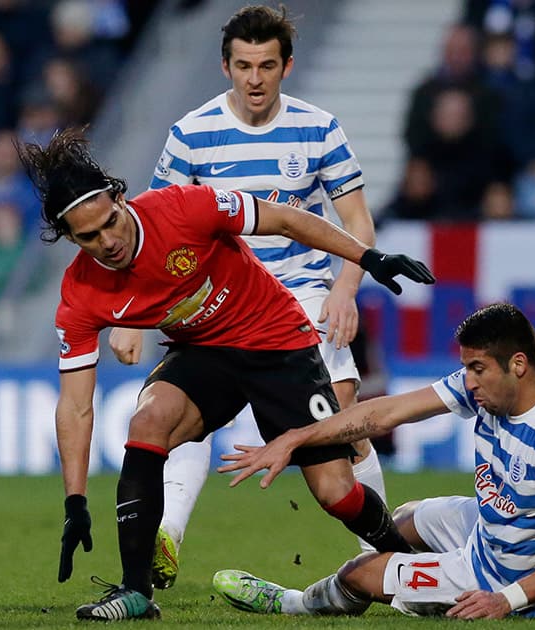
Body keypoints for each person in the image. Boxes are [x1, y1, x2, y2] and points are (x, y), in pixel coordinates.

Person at [16, 127, 435, 621]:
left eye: (110, 222)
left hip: (277, 339)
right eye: (88, 237)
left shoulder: (183, 208)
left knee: (336, 494)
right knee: (147, 422)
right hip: (206, 352)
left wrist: (368, 256)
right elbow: (76, 404)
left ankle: (414, 568)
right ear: (68, 237)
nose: (108, 242)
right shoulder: (80, 292)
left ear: (120, 197)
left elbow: (284, 219)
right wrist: (75, 501)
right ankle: (136, 592)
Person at [114, 4, 386, 590]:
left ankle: (382, 553)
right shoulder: (192, 132)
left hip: (303, 299)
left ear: (287, 66)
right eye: (243, 65)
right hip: (215, 303)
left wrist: (345, 287)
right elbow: (153, 227)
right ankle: (169, 537)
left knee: (343, 425)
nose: (255, 79)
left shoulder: (319, 128)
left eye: (266, 65)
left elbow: (356, 222)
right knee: (182, 415)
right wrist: (132, 316)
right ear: (226, 66)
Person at [213, 303, 535, 620]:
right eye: (467, 367)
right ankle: (428, 581)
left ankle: (292, 603)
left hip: (501, 575)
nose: (468, 382)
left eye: (477, 369)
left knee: (359, 573)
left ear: (517, 364)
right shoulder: (501, 385)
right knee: (406, 518)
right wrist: (297, 437)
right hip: (490, 530)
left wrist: (505, 600)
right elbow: (390, 412)